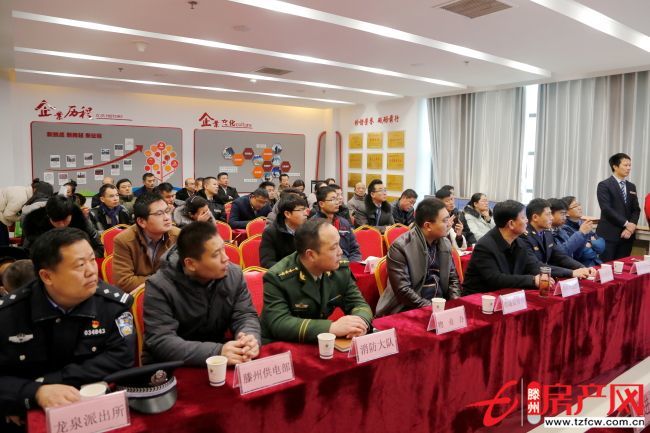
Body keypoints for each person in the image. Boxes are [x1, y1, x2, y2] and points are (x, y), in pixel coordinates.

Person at [0, 228, 135, 423]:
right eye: (80, 265)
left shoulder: (113, 305)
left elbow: (121, 358)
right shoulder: (9, 314)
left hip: (94, 407)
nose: (92, 270)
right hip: (27, 412)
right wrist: (34, 392)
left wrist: (46, 383)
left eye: (92, 260)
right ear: (47, 276)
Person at [143, 222, 261, 366]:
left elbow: (245, 315)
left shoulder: (233, 274)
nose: (226, 258)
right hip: (173, 366)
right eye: (216, 254)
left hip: (219, 360)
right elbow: (162, 341)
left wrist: (249, 338)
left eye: (223, 249)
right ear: (191, 264)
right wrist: (217, 352)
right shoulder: (159, 286)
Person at [261, 218, 373, 343]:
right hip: (281, 345)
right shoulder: (278, 278)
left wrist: (359, 323)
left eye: (339, 244)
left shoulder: (339, 270)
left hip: (319, 342)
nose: (340, 252)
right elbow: (279, 323)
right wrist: (331, 327)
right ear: (311, 255)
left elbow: (359, 304)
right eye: (333, 247)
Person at [376, 198, 460, 317]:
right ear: (428, 226)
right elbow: (403, 290)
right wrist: (432, 309)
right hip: (408, 309)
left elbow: (453, 279)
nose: (449, 224)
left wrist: (455, 303)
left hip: (439, 307)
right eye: (445, 220)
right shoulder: (401, 247)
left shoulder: (445, 243)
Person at [463, 200, 547, 295]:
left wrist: (547, 274)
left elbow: (532, 266)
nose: (527, 220)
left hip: (508, 295)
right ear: (511, 224)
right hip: (480, 298)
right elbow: (496, 279)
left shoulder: (519, 243)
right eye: (523, 217)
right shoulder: (484, 246)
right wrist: (532, 280)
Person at [113, 193, 180, 293]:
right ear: (141, 222)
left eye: (167, 211)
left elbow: (185, 274)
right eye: (159, 214)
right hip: (138, 297)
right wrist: (166, 280)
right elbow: (124, 282)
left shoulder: (178, 235)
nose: (167, 217)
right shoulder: (124, 240)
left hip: (170, 294)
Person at [520, 198, 595, 279]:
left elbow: (560, 256)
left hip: (546, 278)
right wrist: (572, 272)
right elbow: (535, 266)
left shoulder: (547, 233)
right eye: (548, 214)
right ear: (535, 217)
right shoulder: (524, 236)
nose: (551, 218)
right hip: (531, 280)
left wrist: (582, 268)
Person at [22, 195, 104, 257]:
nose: (61, 225)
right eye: (56, 222)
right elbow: (29, 253)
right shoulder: (34, 226)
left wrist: (83, 257)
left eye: (65, 220)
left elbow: (100, 248)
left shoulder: (80, 220)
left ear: (71, 214)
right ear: (48, 216)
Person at [596, 153, 641, 261]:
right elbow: (606, 209)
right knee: (606, 266)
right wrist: (626, 224)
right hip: (609, 235)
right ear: (615, 167)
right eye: (625, 165)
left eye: (630, 165)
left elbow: (636, 209)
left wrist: (631, 227)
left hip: (627, 236)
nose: (629, 168)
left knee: (624, 267)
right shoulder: (604, 185)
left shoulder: (631, 186)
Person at [312, 186, 361, 262]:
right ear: (321, 204)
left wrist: (352, 264)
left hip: (346, 263)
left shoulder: (344, 222)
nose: (337, 202)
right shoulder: (313, 225)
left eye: (337, 199)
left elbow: (354, 249)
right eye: (333, 199)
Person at [551, 198, 603, 267]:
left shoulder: (561, 230)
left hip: (590, 263)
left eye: (579, 204)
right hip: (567, 268)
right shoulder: (563, 229)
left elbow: (602, 244)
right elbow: (564, 254)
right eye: (562, 214)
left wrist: (591, 244)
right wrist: (581, 233)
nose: (579, 208)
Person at [260, 195, 308, 269]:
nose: (306, 213)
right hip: (284, 274)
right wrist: (294, 269)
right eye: (301, 210)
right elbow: (267, 263)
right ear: (287, 214)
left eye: (305, 209)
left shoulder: (309, 230)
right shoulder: (271, 232)